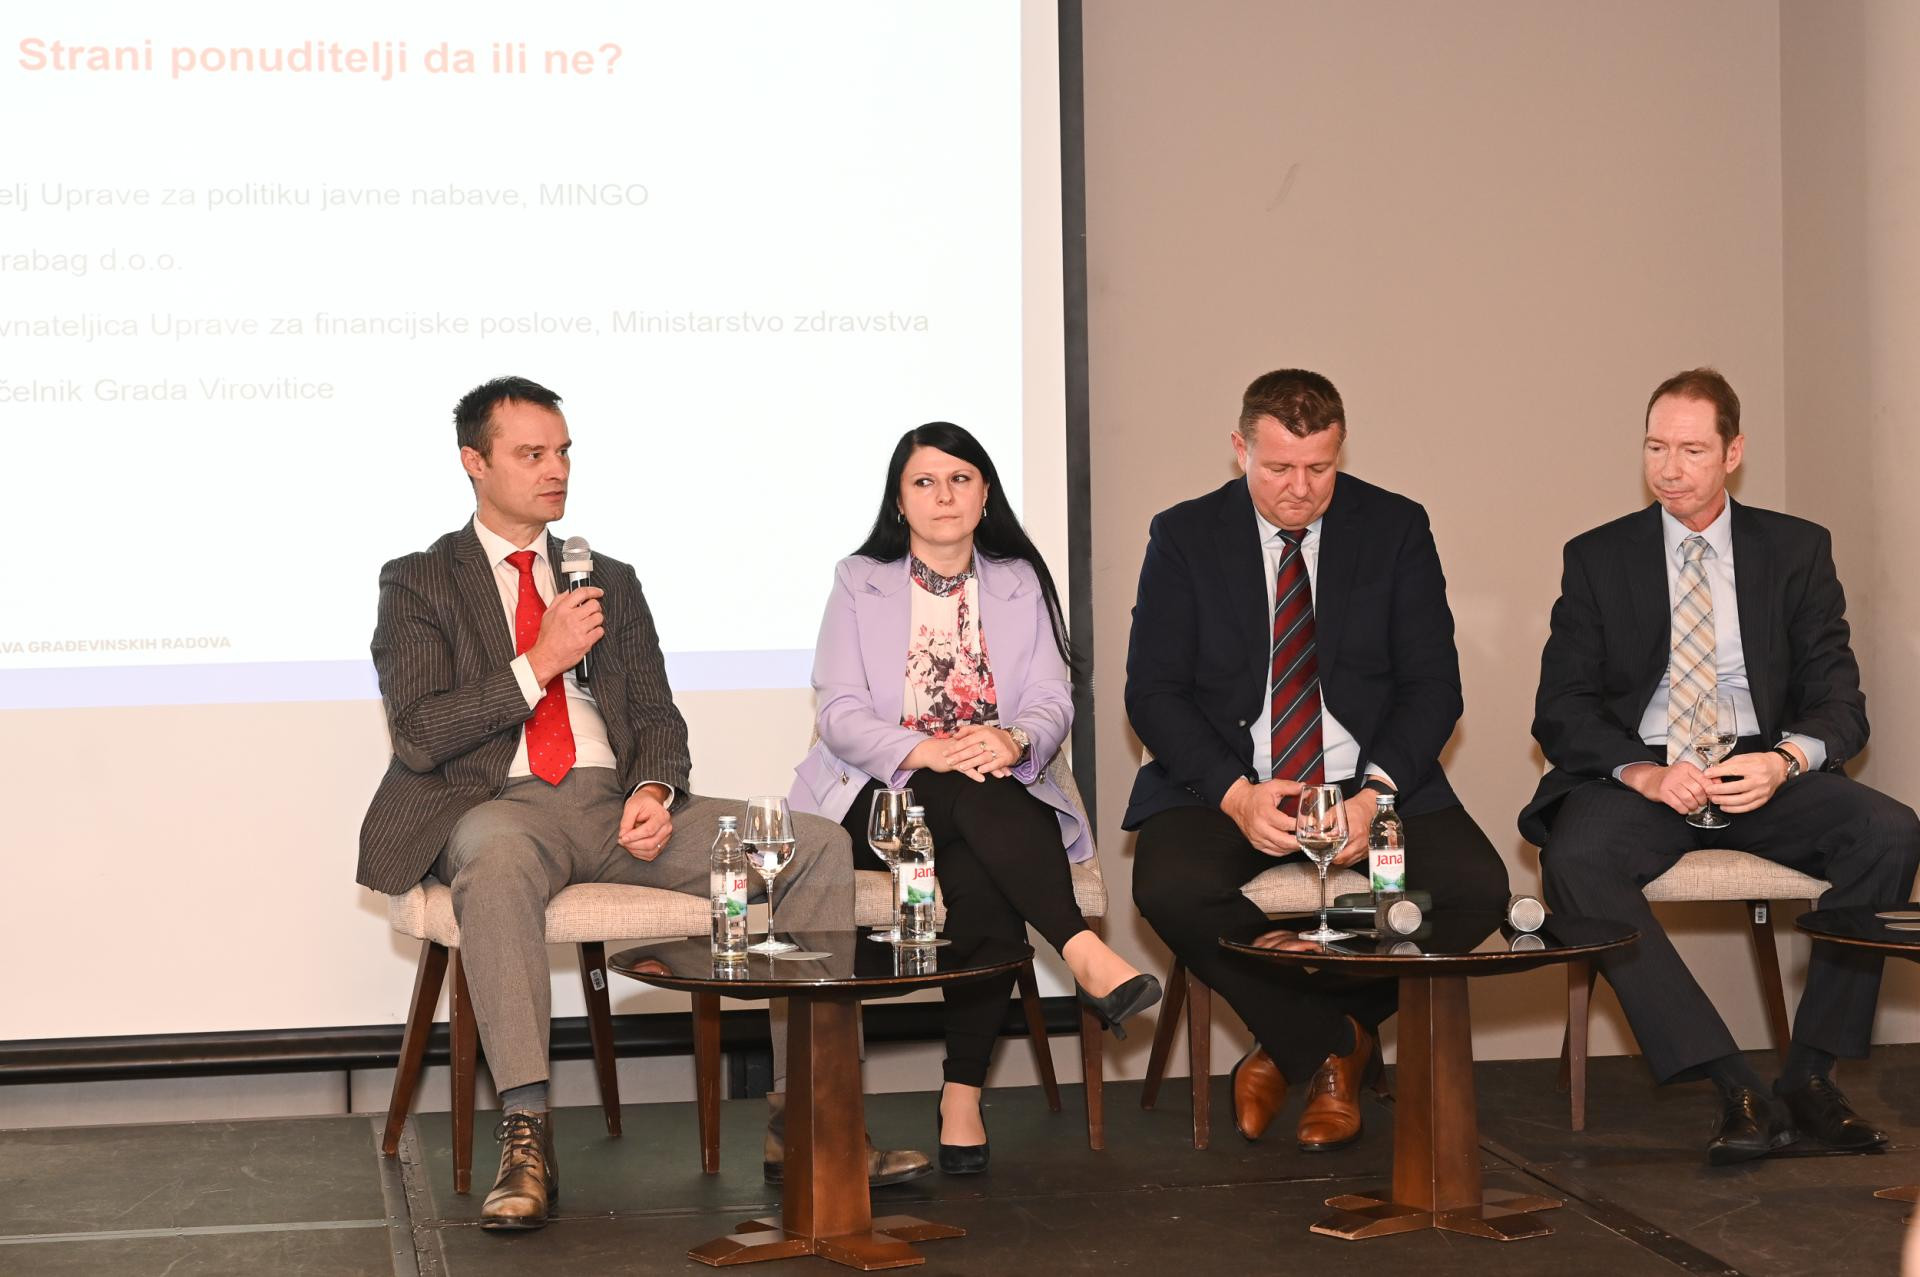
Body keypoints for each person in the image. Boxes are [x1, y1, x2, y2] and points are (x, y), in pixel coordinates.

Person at [358, 377, 925, 1232]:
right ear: (474, 462)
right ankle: (527, 1131)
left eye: (563, 452)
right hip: (500, 802)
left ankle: (807, 1117)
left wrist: (654, 789)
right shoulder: (419, 581)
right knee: (498, 862)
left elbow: (658, 717)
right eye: (531, 454)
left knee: (811, 842)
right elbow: (418, 732)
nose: (556, 469)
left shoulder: (609, 580)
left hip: (616, 805)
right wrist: (540, 660)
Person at [1524, 366, 1920, 1165]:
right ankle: (1733, 1084)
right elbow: (1562, 706)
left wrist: (1783, 761)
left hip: (1757, 767)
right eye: (1655, 447)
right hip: (1643, 771)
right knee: (1575, 858)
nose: (1669, 468)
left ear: (1733, 452)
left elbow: (1840, 702)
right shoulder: (1598, 556)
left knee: (1889, 830)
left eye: (1692, 449)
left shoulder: (1796, 549)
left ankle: (1810, 1078)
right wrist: (1641, 772)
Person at [1125, 368, 1509, 1152]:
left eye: (1319, 467)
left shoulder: (1394, 527)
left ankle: (1288, 1042)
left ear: (1341, 451)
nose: (1299, 488)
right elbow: (1153, 692)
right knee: (1168, 886)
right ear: (1240, 450)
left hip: (1364, 781)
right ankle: (1335, 1046)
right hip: (1230, 779)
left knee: (1475, 891)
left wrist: (1374, 795)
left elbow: (1434, 685)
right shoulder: (1185, 534)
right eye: (1278, 467)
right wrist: (1236, 794)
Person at [790, 422, 1161, 1174]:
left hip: (992, 792)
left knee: (984, 867)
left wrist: (1014, 740)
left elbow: (1054, 698)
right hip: (878, 796)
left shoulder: (1020, 580)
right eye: (924, 482)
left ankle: (960, 1095)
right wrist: (926, 749)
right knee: (976, 802)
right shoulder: (859, 579)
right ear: (899, 501)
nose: (944, 496)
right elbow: (839, 713)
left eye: (960, 479)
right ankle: (1081, 952)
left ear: (985, 492)